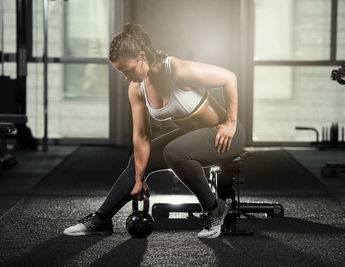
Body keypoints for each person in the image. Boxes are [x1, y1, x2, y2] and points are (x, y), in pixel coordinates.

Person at [63, 23, 245, 239]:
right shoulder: (136, 88)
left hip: (226, 137)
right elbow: (141, 136)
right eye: (121, 72)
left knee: (173, 151)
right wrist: (139, 178)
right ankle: (102, 219)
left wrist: (230, 122)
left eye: (127, 69)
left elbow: (229, 78)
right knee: (139, 159)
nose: (126, 76)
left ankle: (214, 208)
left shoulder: (177, 70)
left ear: (142, 56)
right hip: (192, 139)